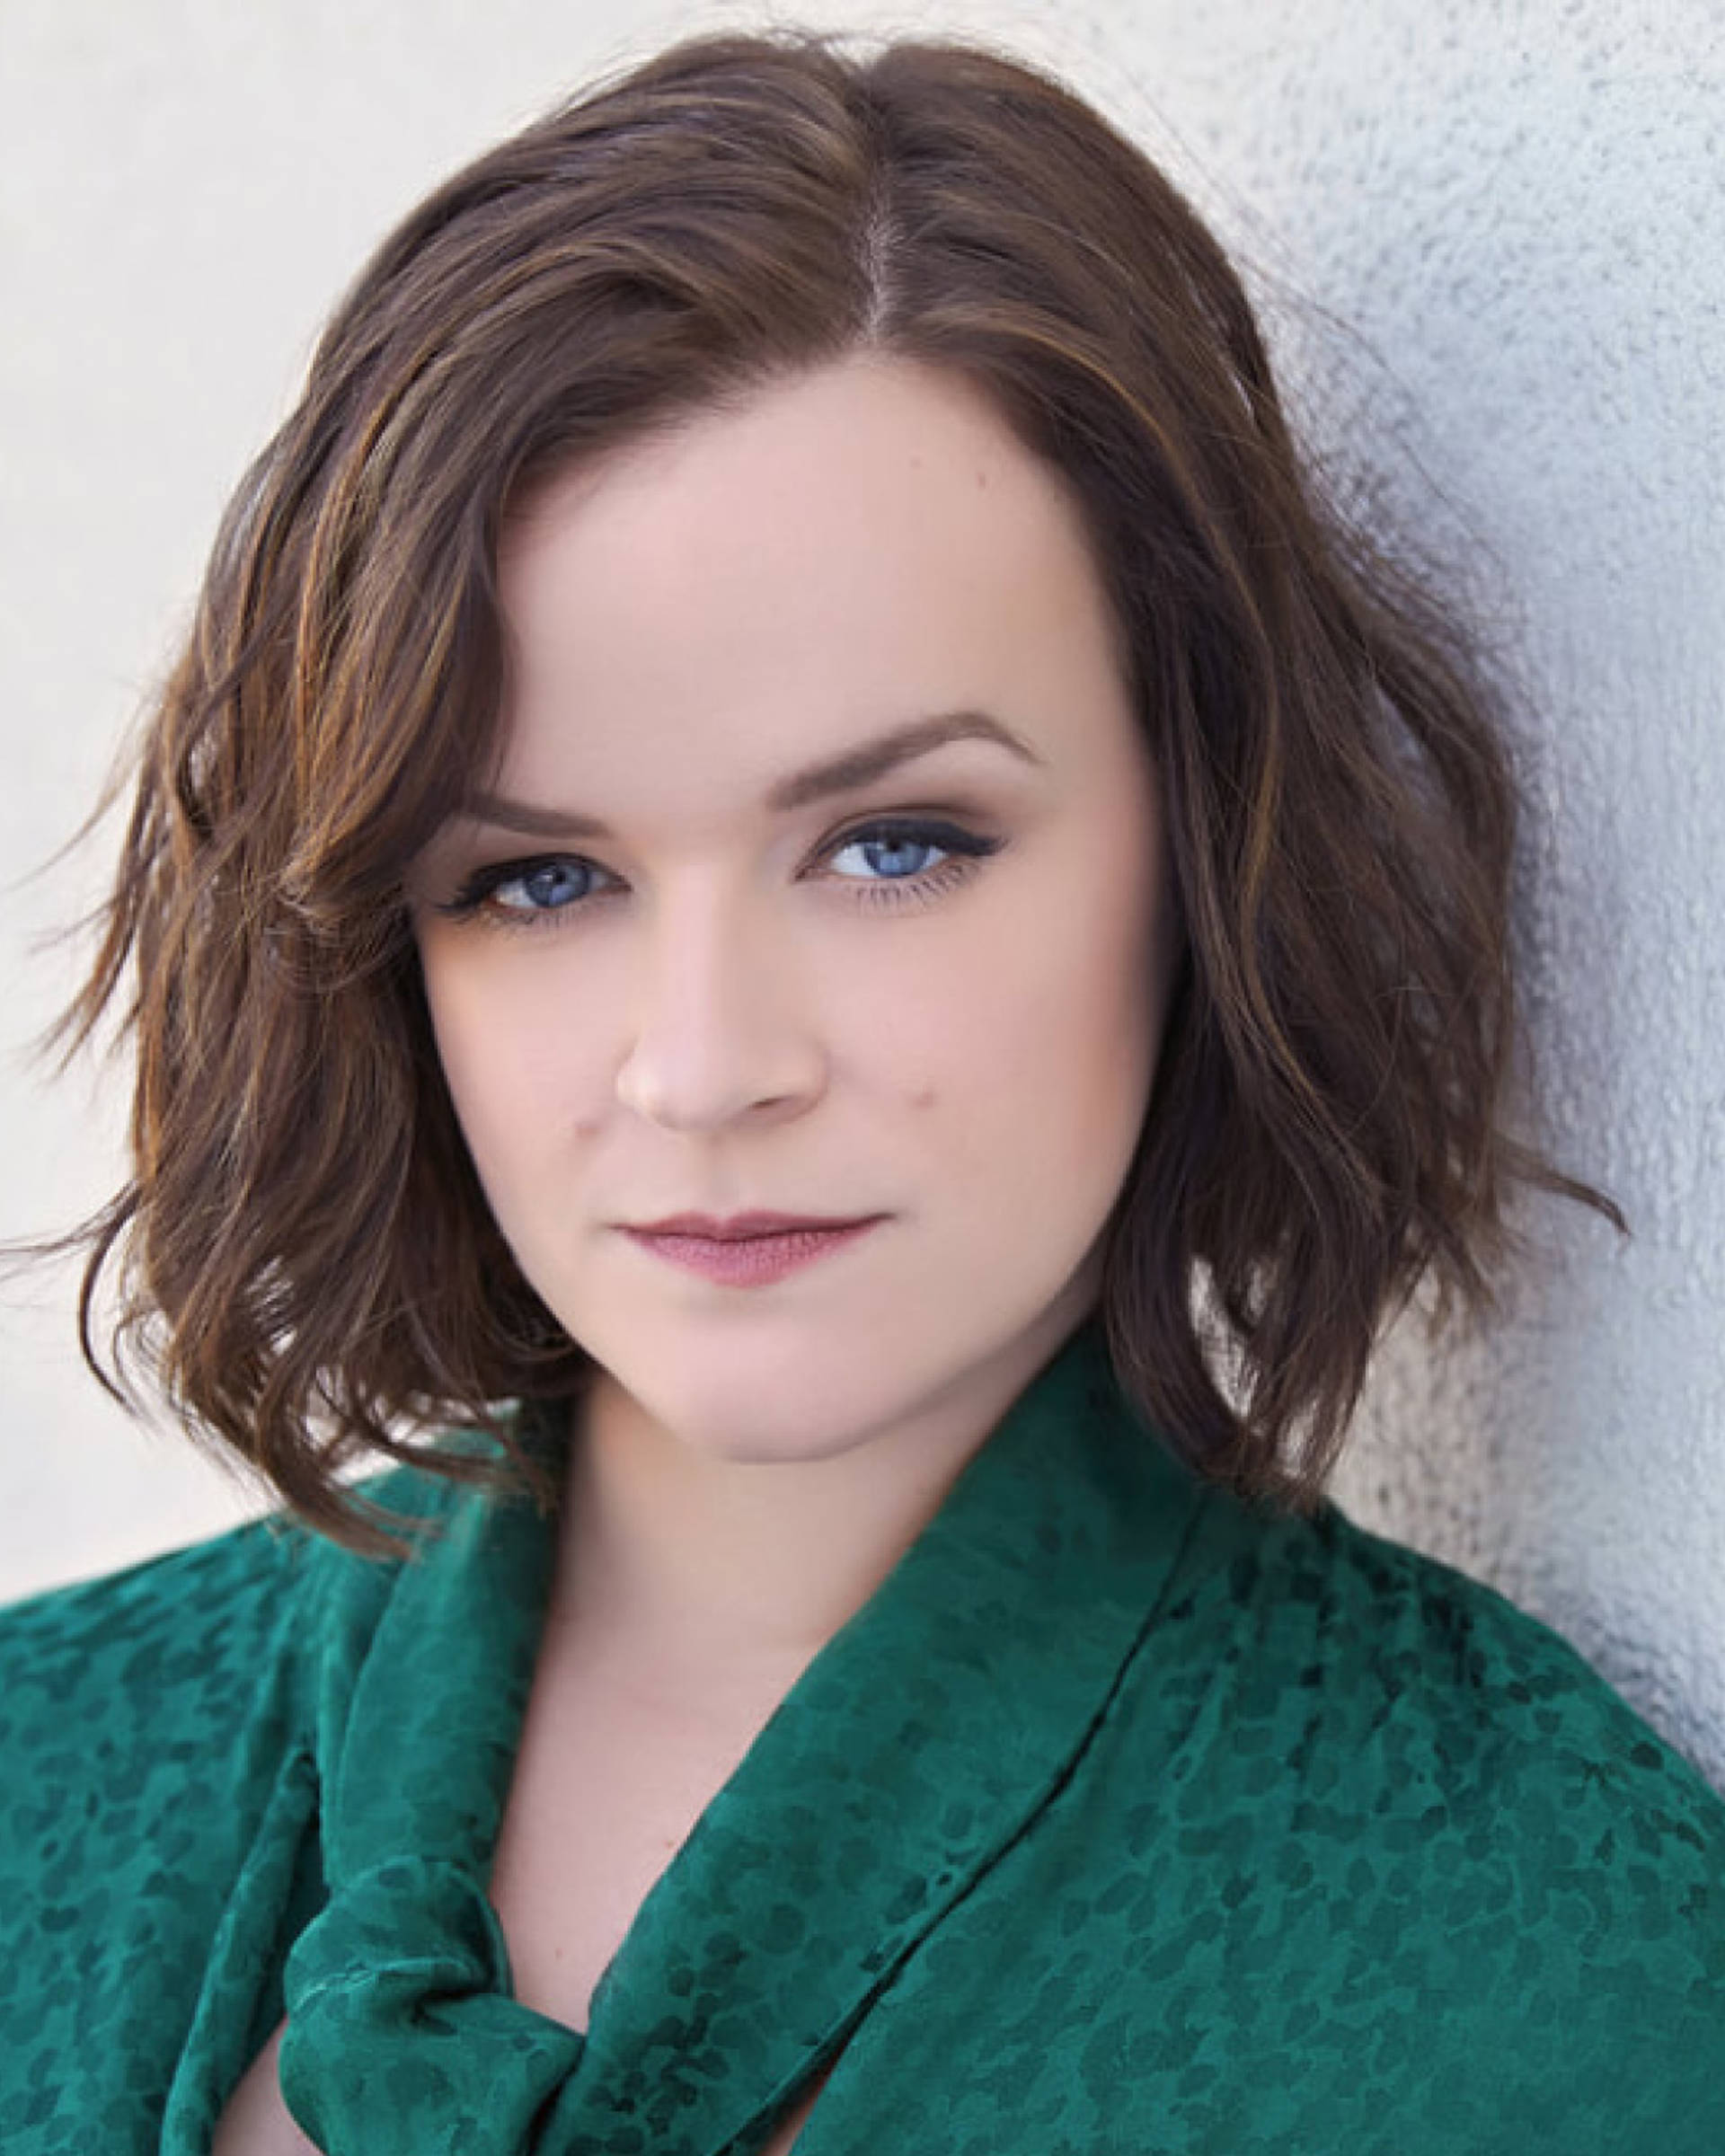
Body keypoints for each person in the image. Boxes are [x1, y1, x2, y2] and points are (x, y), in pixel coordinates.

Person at [1, 21, 1721, 2154]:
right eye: (539, 878)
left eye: (897, 844)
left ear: (1201, 842)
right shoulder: (38, 1763)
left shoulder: (1531, 1959)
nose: (708, 1065)